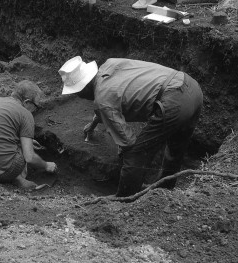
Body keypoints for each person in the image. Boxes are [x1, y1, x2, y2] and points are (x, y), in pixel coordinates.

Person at [58, 56, 203, 197]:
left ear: (84, 89)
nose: (79, 97)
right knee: (175, 147)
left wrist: (124, 151)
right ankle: (164, 191)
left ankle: (125, 200)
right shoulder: (110, 64)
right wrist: (95, 121)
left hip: (173, 102)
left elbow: (128, 141)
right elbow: (115, 93)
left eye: (77, 93)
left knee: (135, 154)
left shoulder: (103, 100)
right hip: (191, 87)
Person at [0, 80, 57, 190]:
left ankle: (12, 176)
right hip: (4, 173)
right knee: (24, 150)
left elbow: (1, 132)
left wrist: (22, 140)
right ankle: (17, 178)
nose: (35, 110)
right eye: (36, 106)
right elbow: (30, 157)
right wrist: (47, 165)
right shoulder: (25, 114)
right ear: (27, 102)